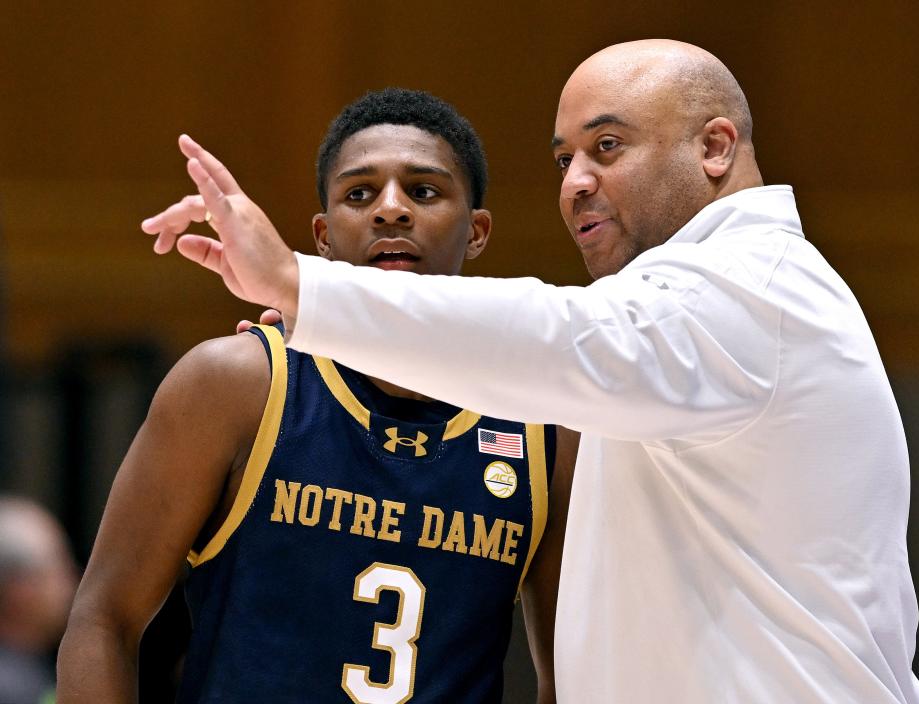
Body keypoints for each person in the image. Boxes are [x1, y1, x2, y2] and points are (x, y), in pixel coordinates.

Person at [141, 40, 919, 703]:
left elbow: (554, 336)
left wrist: (302, 287)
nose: (575, 181)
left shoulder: (749, 290)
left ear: (714, 148)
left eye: (607, 147)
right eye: (565, 158)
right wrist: (339, 333)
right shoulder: (684, 322)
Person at [59, 88, 576, 704]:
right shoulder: (236, 385)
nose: (391, 210)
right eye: (360, 193)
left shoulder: (546, 426)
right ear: (322, 236)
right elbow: (103, 619)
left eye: (424, 190)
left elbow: (567, 681)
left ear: (478, 231)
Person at [0, 496, 78, 704]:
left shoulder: (31, 672)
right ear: (20, 589)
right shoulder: (13, 688)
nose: (74, 583)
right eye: (60, 570)